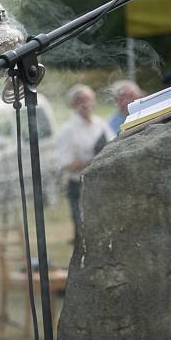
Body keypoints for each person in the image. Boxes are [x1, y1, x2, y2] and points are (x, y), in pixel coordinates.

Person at [57, 85, 115, 242]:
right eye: (79, 100)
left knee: (105, 227)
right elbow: (64, 163)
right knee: (84, 230)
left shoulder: (101, 124)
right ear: (72, 105)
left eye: (87, 99)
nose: (84, 103)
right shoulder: (68, 130)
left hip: (101, 183)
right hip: (79, 185)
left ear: (93, 101)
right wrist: (90, 162)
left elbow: (113, 147)